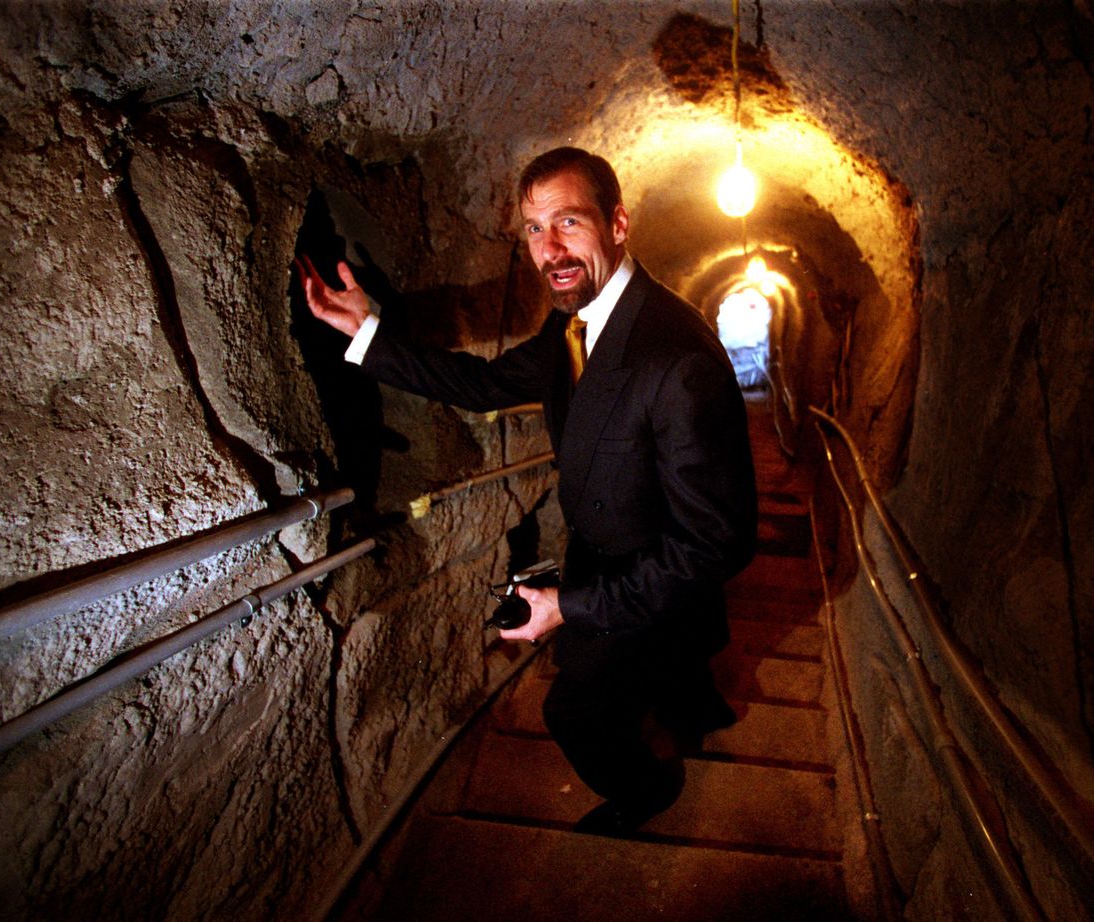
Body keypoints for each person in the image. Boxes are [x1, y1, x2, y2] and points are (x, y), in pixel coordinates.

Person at [296, 147, 757, 835]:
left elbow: (715, 546)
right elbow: (483, 387)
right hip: (613, 565)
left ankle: (651, 789)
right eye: (535, 229)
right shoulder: (575, 324)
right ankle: (698, 708)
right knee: (681, 667)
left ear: (619, 223)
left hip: (644, 580)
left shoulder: (676, 359)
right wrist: (367, 332)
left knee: (570, 710)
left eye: (568, 221)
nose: (550, 248)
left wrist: (569, 605)